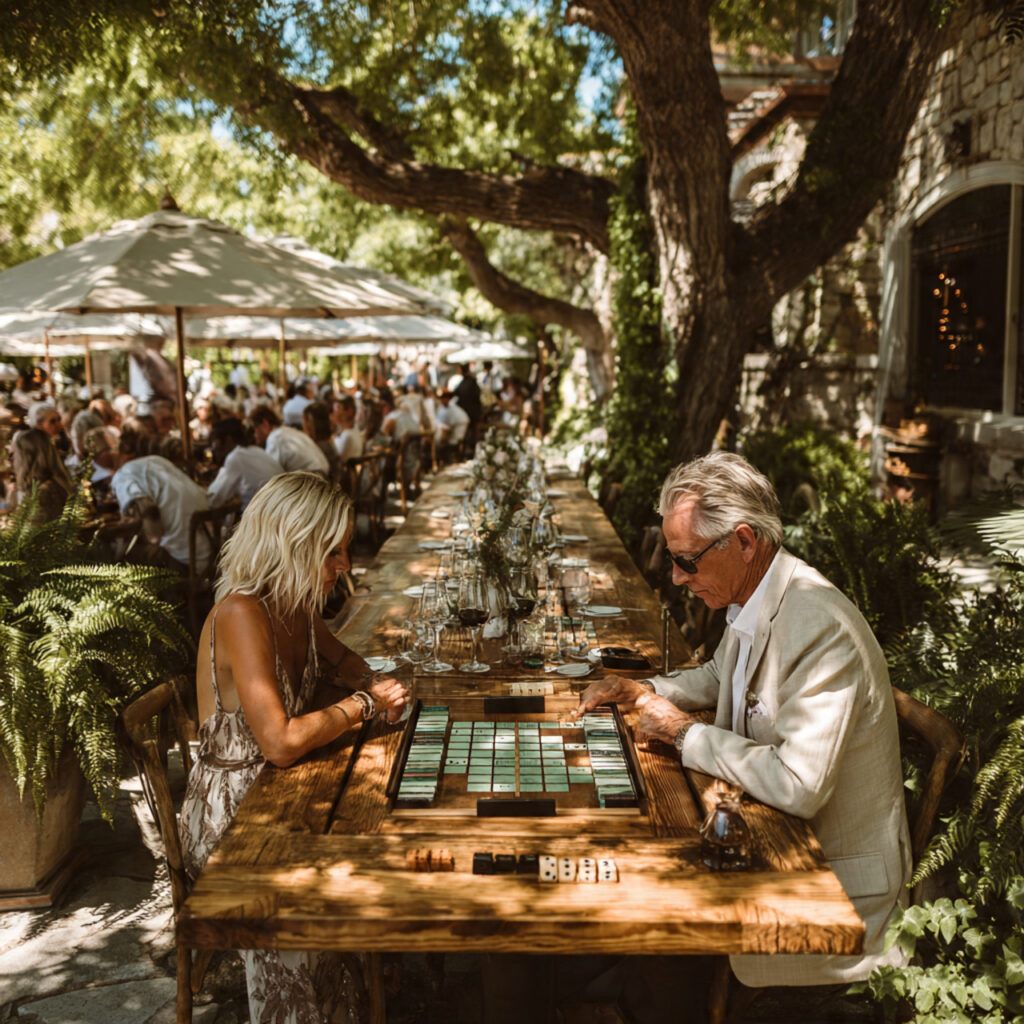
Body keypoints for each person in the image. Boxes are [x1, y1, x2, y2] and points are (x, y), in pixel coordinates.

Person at [573, 451, 911, 987]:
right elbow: (720, 673)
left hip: (829, 891)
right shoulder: (763, 591)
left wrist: (684, 733)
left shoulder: (819, 628)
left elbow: (799, 785)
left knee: (644, 897)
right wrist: (646, 690)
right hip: (765, 841)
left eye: (687, 561)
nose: (678, 578)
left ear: (745, 542)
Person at [179, 471, 407, 1024]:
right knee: (300, 888)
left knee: (373, 830)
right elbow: (280, 743)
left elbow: (345, 661)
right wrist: (364, 705)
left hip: (283, 790)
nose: (345, 565)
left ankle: (344, 997)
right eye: (333, 551)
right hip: (230, 814)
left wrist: (366, 678)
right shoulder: (241, 613)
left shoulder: (295, 604)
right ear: (293, 544)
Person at [109, 423, 211, 572]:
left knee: (116, 558)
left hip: (183, 559)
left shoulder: (124, 474)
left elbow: (148, 510)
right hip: (210, 550)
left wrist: (147, 536)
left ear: (123, 455)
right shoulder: (158, 461)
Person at [207, 417, 284, 511]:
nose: (213, 446)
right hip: (278, 508)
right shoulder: (255, 450)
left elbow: (215, 501)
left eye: (214, 440)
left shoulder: (235, 457)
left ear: (228, 439)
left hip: (269, 513)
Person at [10, 427, 74, 523]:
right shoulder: (53, 483)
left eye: (14, 453)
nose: (12, 459)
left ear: (27, 457)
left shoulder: (44, 492)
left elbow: (38, 534)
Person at [250, 405, 329, 475]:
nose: (254, 435)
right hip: (323, 475)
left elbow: (271, 475)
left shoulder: (275, 438)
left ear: (265, 423)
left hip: (311, 481)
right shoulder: (289, 431)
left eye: (255, 428)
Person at [433, 389, 469, 462]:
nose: (442, 400)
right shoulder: (445, 408)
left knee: (440, 449)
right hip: (453, 437)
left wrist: (441, 441)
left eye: (444, 398)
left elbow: (447, 429)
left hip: (454, 439)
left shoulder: (453, 408)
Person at [329, 395, 365, 464]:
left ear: (349, 411)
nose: (332, 414)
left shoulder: (347, 435)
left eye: (337, 408)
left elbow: (335, 459)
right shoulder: (353, 432)